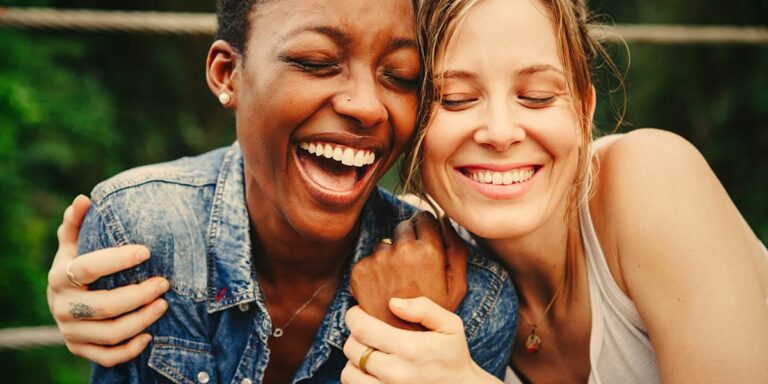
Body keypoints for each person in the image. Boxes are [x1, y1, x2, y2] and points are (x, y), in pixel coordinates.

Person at [45, 0, 518, 383]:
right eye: (316, 62)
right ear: (227, 73)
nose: (368, 106)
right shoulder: (144, 232)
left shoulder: (468, 303)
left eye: (401, 76)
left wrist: (400, 338)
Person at [339, 0, 768, 383]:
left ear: (584, 110)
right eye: (455, 99)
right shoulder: (418, 251)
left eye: (538, 96)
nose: (501, 132)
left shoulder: (655, 177)